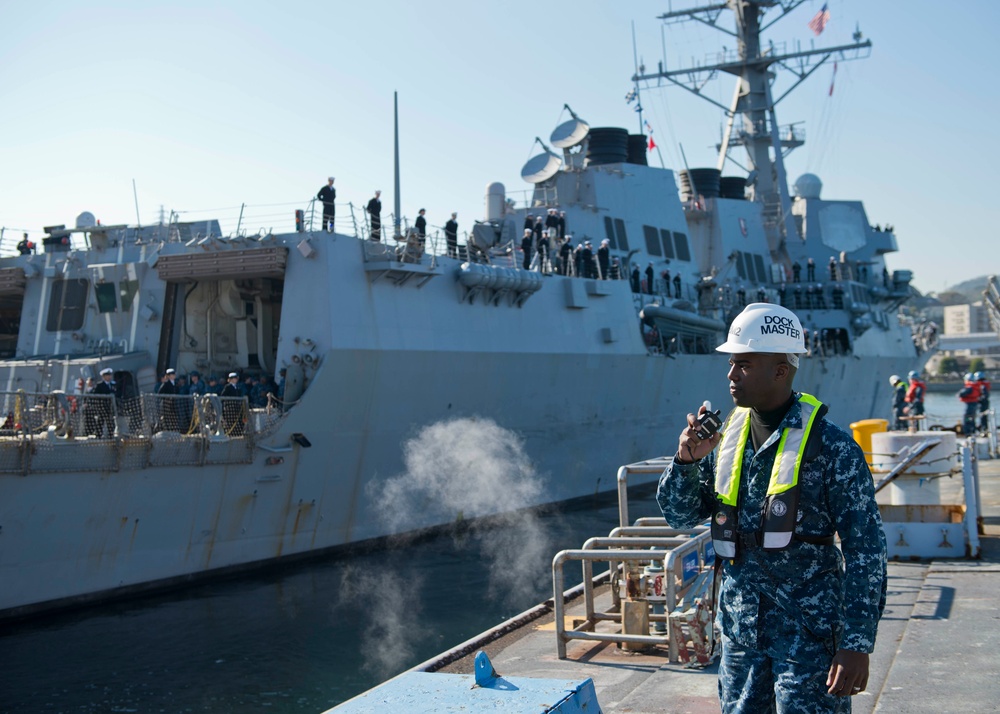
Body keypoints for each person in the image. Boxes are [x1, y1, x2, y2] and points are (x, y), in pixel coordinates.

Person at [657, 302, 887, 713]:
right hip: (742, 635)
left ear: (781, 371)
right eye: (731, 363)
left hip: (809, 639)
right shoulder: (725, 439)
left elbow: (866, 551)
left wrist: (856, 644)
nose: (731, 375)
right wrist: (686, 461)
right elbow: (678, 516)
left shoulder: (832, 449)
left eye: (743, 364)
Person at [89, 367, 117, 437]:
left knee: (110, 422)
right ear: (104, 377)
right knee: (100, 422)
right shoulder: (100, 385)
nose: (109, 377)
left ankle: (111, 435)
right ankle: (98, 435)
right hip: (102, 407)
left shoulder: (113, 385)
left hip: (110, 407)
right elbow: (95, 394)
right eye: (107, 375)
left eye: (110, 375)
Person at [220, 372, 244, 436]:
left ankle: (237, 433)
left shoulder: (237, 387)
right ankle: (231, 434)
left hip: (236, 407)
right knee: (231, 422)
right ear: (231, 379)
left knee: (237, 421)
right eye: (234, 378)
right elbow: (223, 396)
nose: (236, 379)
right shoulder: (228, 387)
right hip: (230, 408)